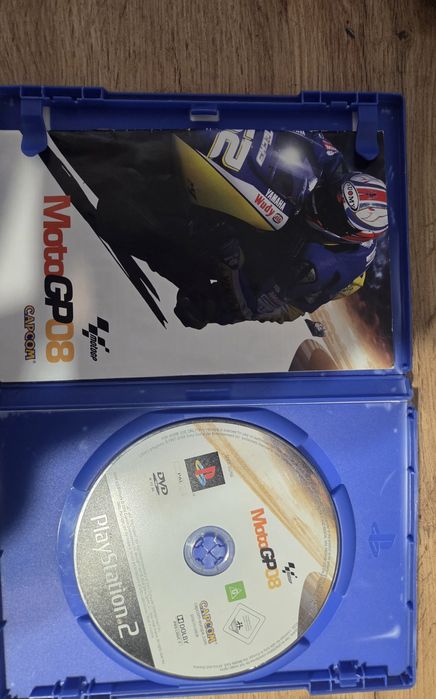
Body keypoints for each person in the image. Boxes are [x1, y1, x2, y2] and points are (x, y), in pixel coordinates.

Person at [173, 130, 389, 327]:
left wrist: (232, 255)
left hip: (297, 288)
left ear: (348, 235)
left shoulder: (316, 266)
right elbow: (318, 143)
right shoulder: (341, 180)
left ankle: (207, 310)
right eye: (330, 194)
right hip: (314, 235)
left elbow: (255, 302)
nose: (320, 203)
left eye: (330, 212)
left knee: (237, 295)